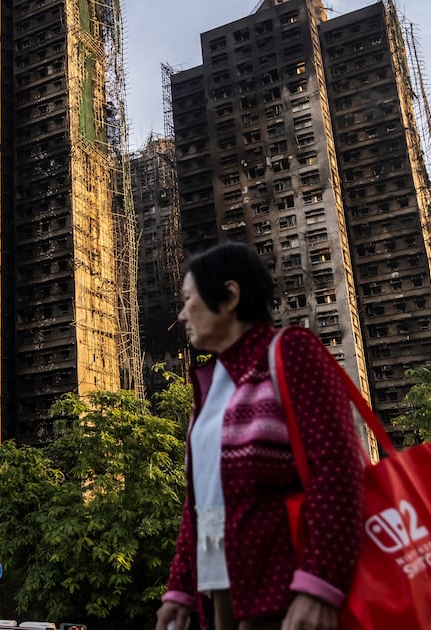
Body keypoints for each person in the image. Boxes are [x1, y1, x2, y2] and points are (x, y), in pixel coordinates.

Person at [155, 242, 364, 630]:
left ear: (230, 296)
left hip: (285, 592)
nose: (182, 314)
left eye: (188, 300)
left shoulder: (290, 353)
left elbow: (337, 469)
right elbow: (201, 500)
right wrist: (180, 588)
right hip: (221, 595)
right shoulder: (209, 383)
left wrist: (319, 584)